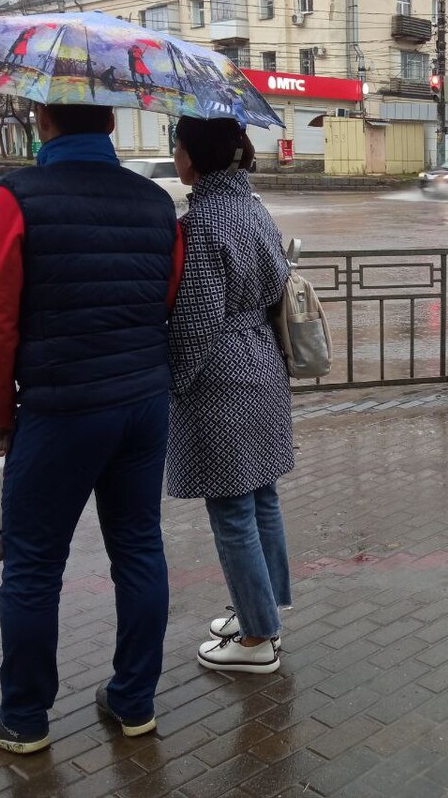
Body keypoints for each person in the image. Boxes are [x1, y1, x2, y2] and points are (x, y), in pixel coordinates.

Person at [0, 102, 183, 754]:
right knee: (139, 549)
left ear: (41, 120)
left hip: (61, 410)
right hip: (144, 404)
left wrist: (0, 418)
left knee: (33, 566)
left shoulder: (16, 196)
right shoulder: (154, 202)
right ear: (111, 125)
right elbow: (163, 296)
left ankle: (25, 719)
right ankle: (133, 702)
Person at [167, 116, 294, 674]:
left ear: (193, 157)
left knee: (231, 509)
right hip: (263, 360)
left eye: (176, 147)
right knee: (260, 496)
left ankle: (256, 639)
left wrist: (172, 381)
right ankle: (263, 609)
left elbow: (194, 323)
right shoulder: (251, 207)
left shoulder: (204, 222)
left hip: (222, 372)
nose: (174, 157)